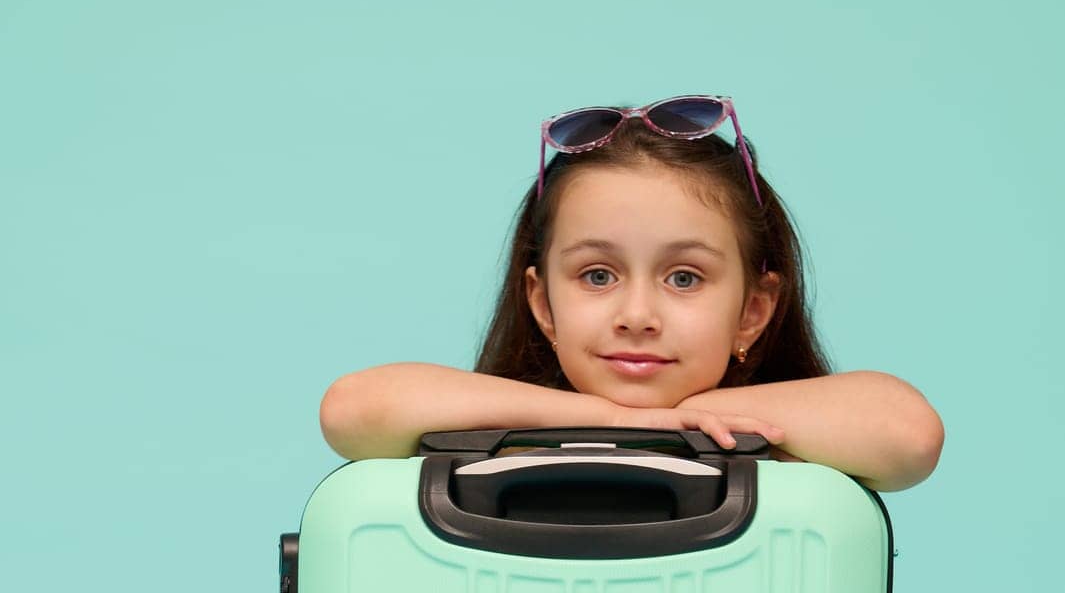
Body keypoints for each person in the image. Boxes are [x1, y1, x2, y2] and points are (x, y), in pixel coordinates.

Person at [319, 95, 944, 492]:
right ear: (543, 305)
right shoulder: (500, 430)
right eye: (597, 276)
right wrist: (628, 421)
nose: (638, 316)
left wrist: (686, 423)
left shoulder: (777, 437)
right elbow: (353, 410)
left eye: (684, 278)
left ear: (752, 311)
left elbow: (907, 434)